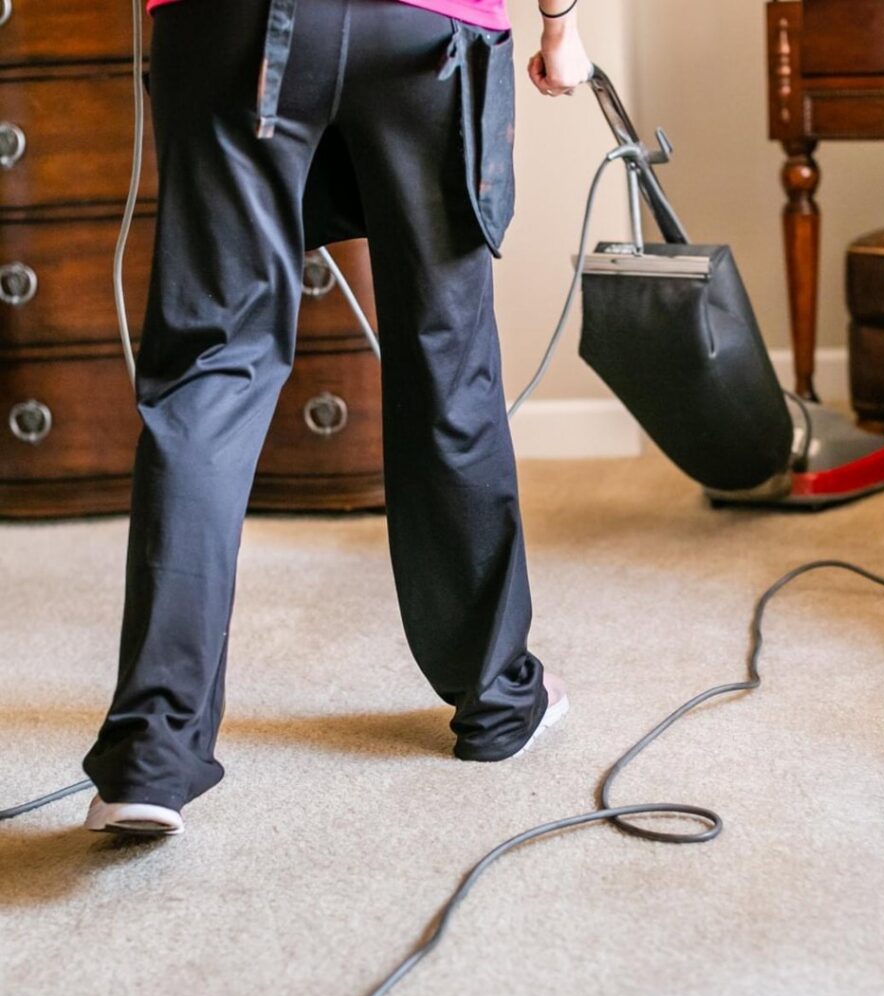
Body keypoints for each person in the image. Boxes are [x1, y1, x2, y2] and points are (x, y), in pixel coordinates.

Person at [82, 0, 593, 836]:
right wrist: (561, 25)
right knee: (447, 362)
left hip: (225, 25)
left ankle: (151, 755)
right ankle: (497, 697)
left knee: (211, 373)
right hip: (423, 32)